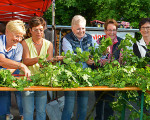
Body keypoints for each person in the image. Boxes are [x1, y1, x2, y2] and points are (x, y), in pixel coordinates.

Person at [21, 16, 63, 120]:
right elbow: (25, 61)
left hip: (42, 81)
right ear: (30, 30)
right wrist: (38, 59)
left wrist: (53, 60)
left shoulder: (48, 44)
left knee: (41, 111)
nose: (39, 32)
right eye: (36, 30)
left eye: (41, 29)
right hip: (27, 81)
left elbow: (47, 64)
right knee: (28, 111)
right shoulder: (25, 43)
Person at [61, 15, 98, 120]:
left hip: (85, 77)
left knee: (83, 107)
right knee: (69, 107)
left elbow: (97, 51)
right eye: (78, 29)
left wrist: (101, 53)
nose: (81, 31)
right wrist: (85, 58)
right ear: (72, 28)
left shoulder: (90, 38)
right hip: (71, 77)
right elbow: (70, 56)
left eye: (83, 28)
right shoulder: (66, 39)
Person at [0, 20, 31, 120]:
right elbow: (1, 61)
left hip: (10, 71)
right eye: (16, 36)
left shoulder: (19, 47)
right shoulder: (0, 41)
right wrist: (21, 65)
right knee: (3, 94)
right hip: (5, 68)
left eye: (21, 36)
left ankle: (22, 115)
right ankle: (5, 114)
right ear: (7, 32)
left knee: (19, 90)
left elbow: (14, 67)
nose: (19, 39)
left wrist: (3, 76)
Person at [95, 19, 123, 120]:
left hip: (113, 76)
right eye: (109, 30)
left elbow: (122, 61)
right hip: (99, 75)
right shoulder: (99, 41)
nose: (112, 32)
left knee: (109, 103)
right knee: (98, 102)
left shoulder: (121, 42)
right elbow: (95, 59)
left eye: (114, 30)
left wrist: (119, 62)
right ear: (105, 31)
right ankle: (98, 118)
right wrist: (102, 60)